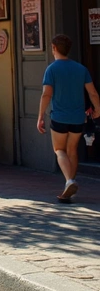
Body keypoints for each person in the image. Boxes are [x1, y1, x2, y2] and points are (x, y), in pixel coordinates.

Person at [38, 34, 100, 202]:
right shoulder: (81, 69)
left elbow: (46, 95)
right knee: (72, 150)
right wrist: (98, 109)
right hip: (78, 118)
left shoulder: (51, 69)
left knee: (59, 150)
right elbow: (92, 92)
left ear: (54, 48)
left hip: (59, 116)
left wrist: (40, 116)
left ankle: (69, 181)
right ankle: (69, 187)